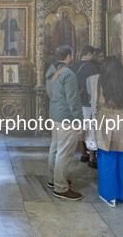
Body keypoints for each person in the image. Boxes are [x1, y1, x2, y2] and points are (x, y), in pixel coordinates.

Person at [95, 57, 123, 207]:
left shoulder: (102, 84)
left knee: (108, 160)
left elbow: (99, 104)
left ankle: (110, 195)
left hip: (107, 125)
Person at [47, 45, 83, 200]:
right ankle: (61, 188)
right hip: (66, 118)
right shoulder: (68, 74)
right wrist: (79, 121)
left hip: (55, 115)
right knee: (65, 152)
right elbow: (73, 100)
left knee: (55, 148)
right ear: (69, 56)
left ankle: (52, 179)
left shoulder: (53, 71)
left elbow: (50, 93)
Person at [72, 45, 100, 166]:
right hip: (88, 102)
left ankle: (84, 154)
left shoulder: (74, 66)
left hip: (77, 102)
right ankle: (92, 158)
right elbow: (96, 86)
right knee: (91, 130)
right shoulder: (91, 67)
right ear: (89, 54)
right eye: (93, 54)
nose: (93, 57)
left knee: (79, 130)